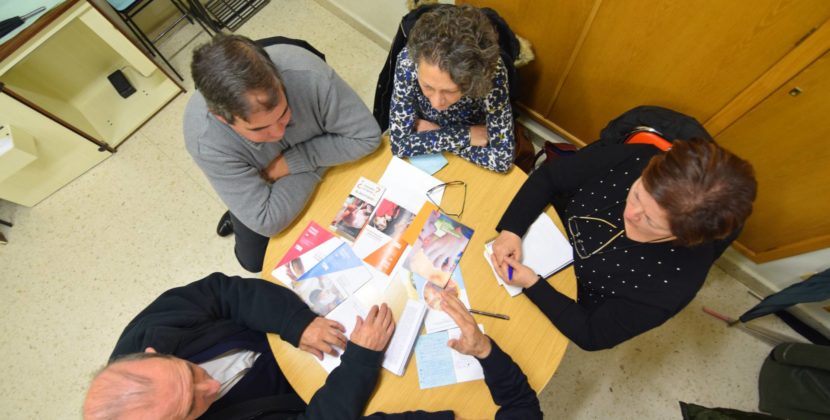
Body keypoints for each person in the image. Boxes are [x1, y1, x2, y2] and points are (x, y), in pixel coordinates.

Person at [82, 274, 542, 419]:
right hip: (306, 392)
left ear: (151, 355)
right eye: (191, 407)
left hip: (286, 338)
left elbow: (224, 293)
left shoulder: (148, 332)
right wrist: (362, 359)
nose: (209, 388)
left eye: (191, 375)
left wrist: (295, 322)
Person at [490, 138, 757, 351]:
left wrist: (532, 284)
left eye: (651, 221)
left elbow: (592, 334)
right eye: (638, 193)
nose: (631, 213)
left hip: (566, 295)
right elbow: (550, 177)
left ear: (684, 237)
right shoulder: (638, 158)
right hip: (545, 232)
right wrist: (512, 229)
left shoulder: (672, 286)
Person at [184, 34, 381, 273]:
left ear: (280, 80)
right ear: (222, 119)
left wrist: (295, 161)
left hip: (287, 170)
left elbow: (367, 137)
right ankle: (237, 203)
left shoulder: (309, 74)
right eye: (259, 128)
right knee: (253, 261)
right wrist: (326, 150)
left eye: (284, 113)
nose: (278, 132)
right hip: (265, 180)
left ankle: (246, 192)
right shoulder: (204, 138)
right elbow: (267, 220)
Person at [389, 5, 515, 173]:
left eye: (449, 91)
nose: (436, 103)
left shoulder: (491, 73)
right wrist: (466, 135)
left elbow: (501, 160)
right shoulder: (408, 62)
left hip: (442, 128)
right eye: (427, 86)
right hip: (468, 134)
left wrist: (434, 135)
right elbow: (399, 145)